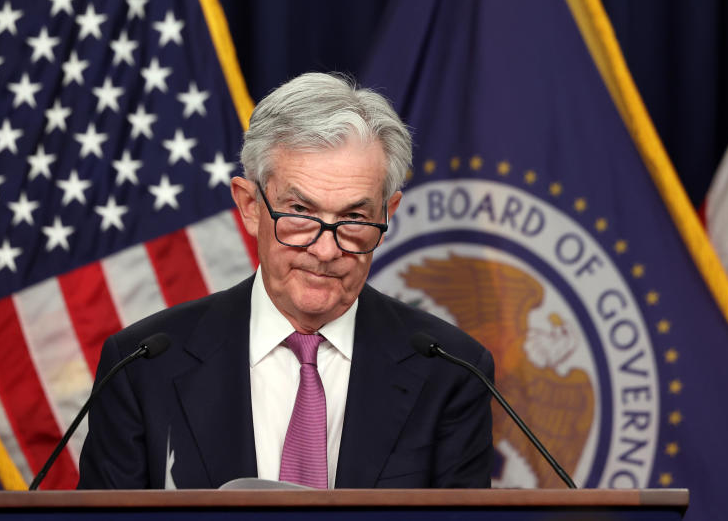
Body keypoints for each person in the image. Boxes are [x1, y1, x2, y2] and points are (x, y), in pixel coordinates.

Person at [78, 72, 493, 489]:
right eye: (300, 212)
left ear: (388, 213)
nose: (326, 251)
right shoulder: (142, 366)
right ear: (250, 205)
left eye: (354, 218)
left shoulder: (450, 371)